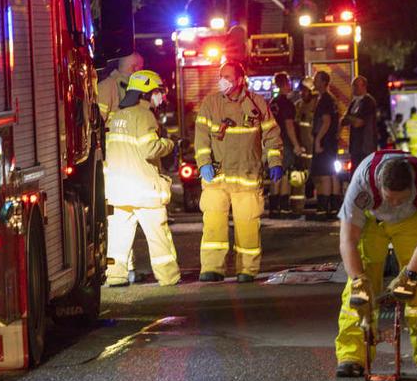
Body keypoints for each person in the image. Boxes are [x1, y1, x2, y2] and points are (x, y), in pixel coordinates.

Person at [334, 150, 417, 379]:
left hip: (411, 220)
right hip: (371, 220)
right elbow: (348, 241)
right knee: (358, 289)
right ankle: (352, 356)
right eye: (390, 198)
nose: (394, 204)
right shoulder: (361, 184)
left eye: (401, 199)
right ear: (378, 185)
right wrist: (358, 280)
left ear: (412, 189)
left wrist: (410, 273)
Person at [194, 61, 283, 282]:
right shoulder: (211, 103)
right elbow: (201, 136)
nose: (222, 80)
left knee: (248, 225)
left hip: (247, 176)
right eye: (221, 75)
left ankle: (247, 270)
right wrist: (203, 162)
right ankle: (212, 268)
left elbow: (272, 136)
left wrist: (275, 162)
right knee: (214, 224)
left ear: (241, 80)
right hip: (217, 176)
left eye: (228, 76)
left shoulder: (257, 103)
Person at [104, 70, 180, 286]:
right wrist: (169, 143)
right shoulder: (145, 115)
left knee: (118, 238)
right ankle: (168, 277)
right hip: (144, 190)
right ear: (145, 94)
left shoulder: (118, 116)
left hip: (118, 191)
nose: (161, 97)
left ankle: (116, 276)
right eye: (157, 92)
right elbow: (149, 149)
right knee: (158, 236)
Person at [269, 72, 302, 218]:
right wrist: (296, 145)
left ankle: (275, 208)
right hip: (285, 143)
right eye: (288, 83)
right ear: (285, 84)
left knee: (277, 175)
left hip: (272, 143)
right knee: (285, 174)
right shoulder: (287, 104)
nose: (290, 86)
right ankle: (283, 207)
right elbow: (289, 126)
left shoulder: (272, 103)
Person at [310, 71, 342, 218]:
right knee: (332, 174)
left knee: (325, 174)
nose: (314, 82)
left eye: (316, 79)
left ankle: (324, 208)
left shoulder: (324, 100)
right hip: (331, 141)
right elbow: (338, 120)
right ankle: (335, 207)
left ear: (323, 82)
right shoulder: (332, 100)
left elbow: (326, 121)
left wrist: (318, 140)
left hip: (325, 141)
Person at [97, 52, 144, 125]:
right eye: (141, 68)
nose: (142, 72)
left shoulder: (128, 89)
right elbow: (97, 125)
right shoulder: (107, 87)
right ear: (133, 68)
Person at [342, 76, 378, 169]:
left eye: (356, 86)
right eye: (353, 86)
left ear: (364, 87)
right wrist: (351, 119)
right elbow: (344, 120)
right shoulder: (354, 103)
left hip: (365, 146)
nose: (354, 88)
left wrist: (350, 118)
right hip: (355, 146)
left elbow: (359, 123)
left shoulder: (368, 102)